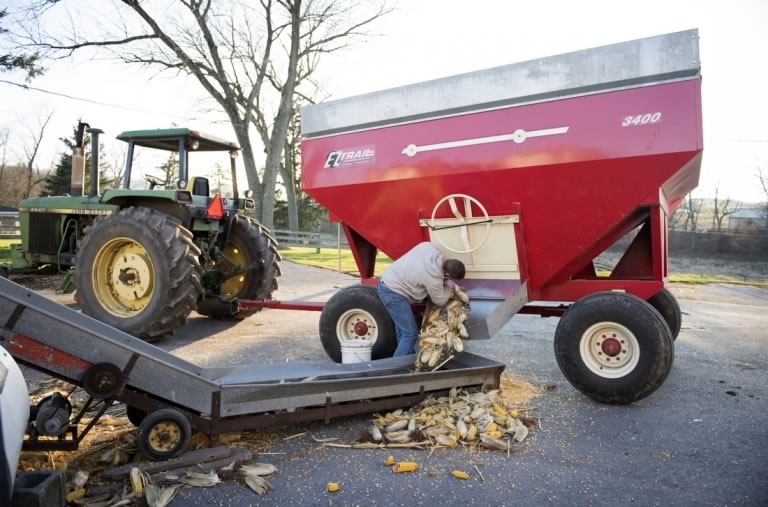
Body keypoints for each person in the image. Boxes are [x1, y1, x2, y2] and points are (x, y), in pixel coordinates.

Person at [378, 242, 466, 356]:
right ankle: (395, 368)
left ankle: (406, 359)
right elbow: (440, 301)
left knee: (403, 330)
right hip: (393, 293)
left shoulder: (429, 248)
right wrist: (449, 285)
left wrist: (447, 281)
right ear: (447, 274)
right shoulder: (433, 277)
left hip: (387, 281)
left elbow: (424, 245)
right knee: (410, 334)